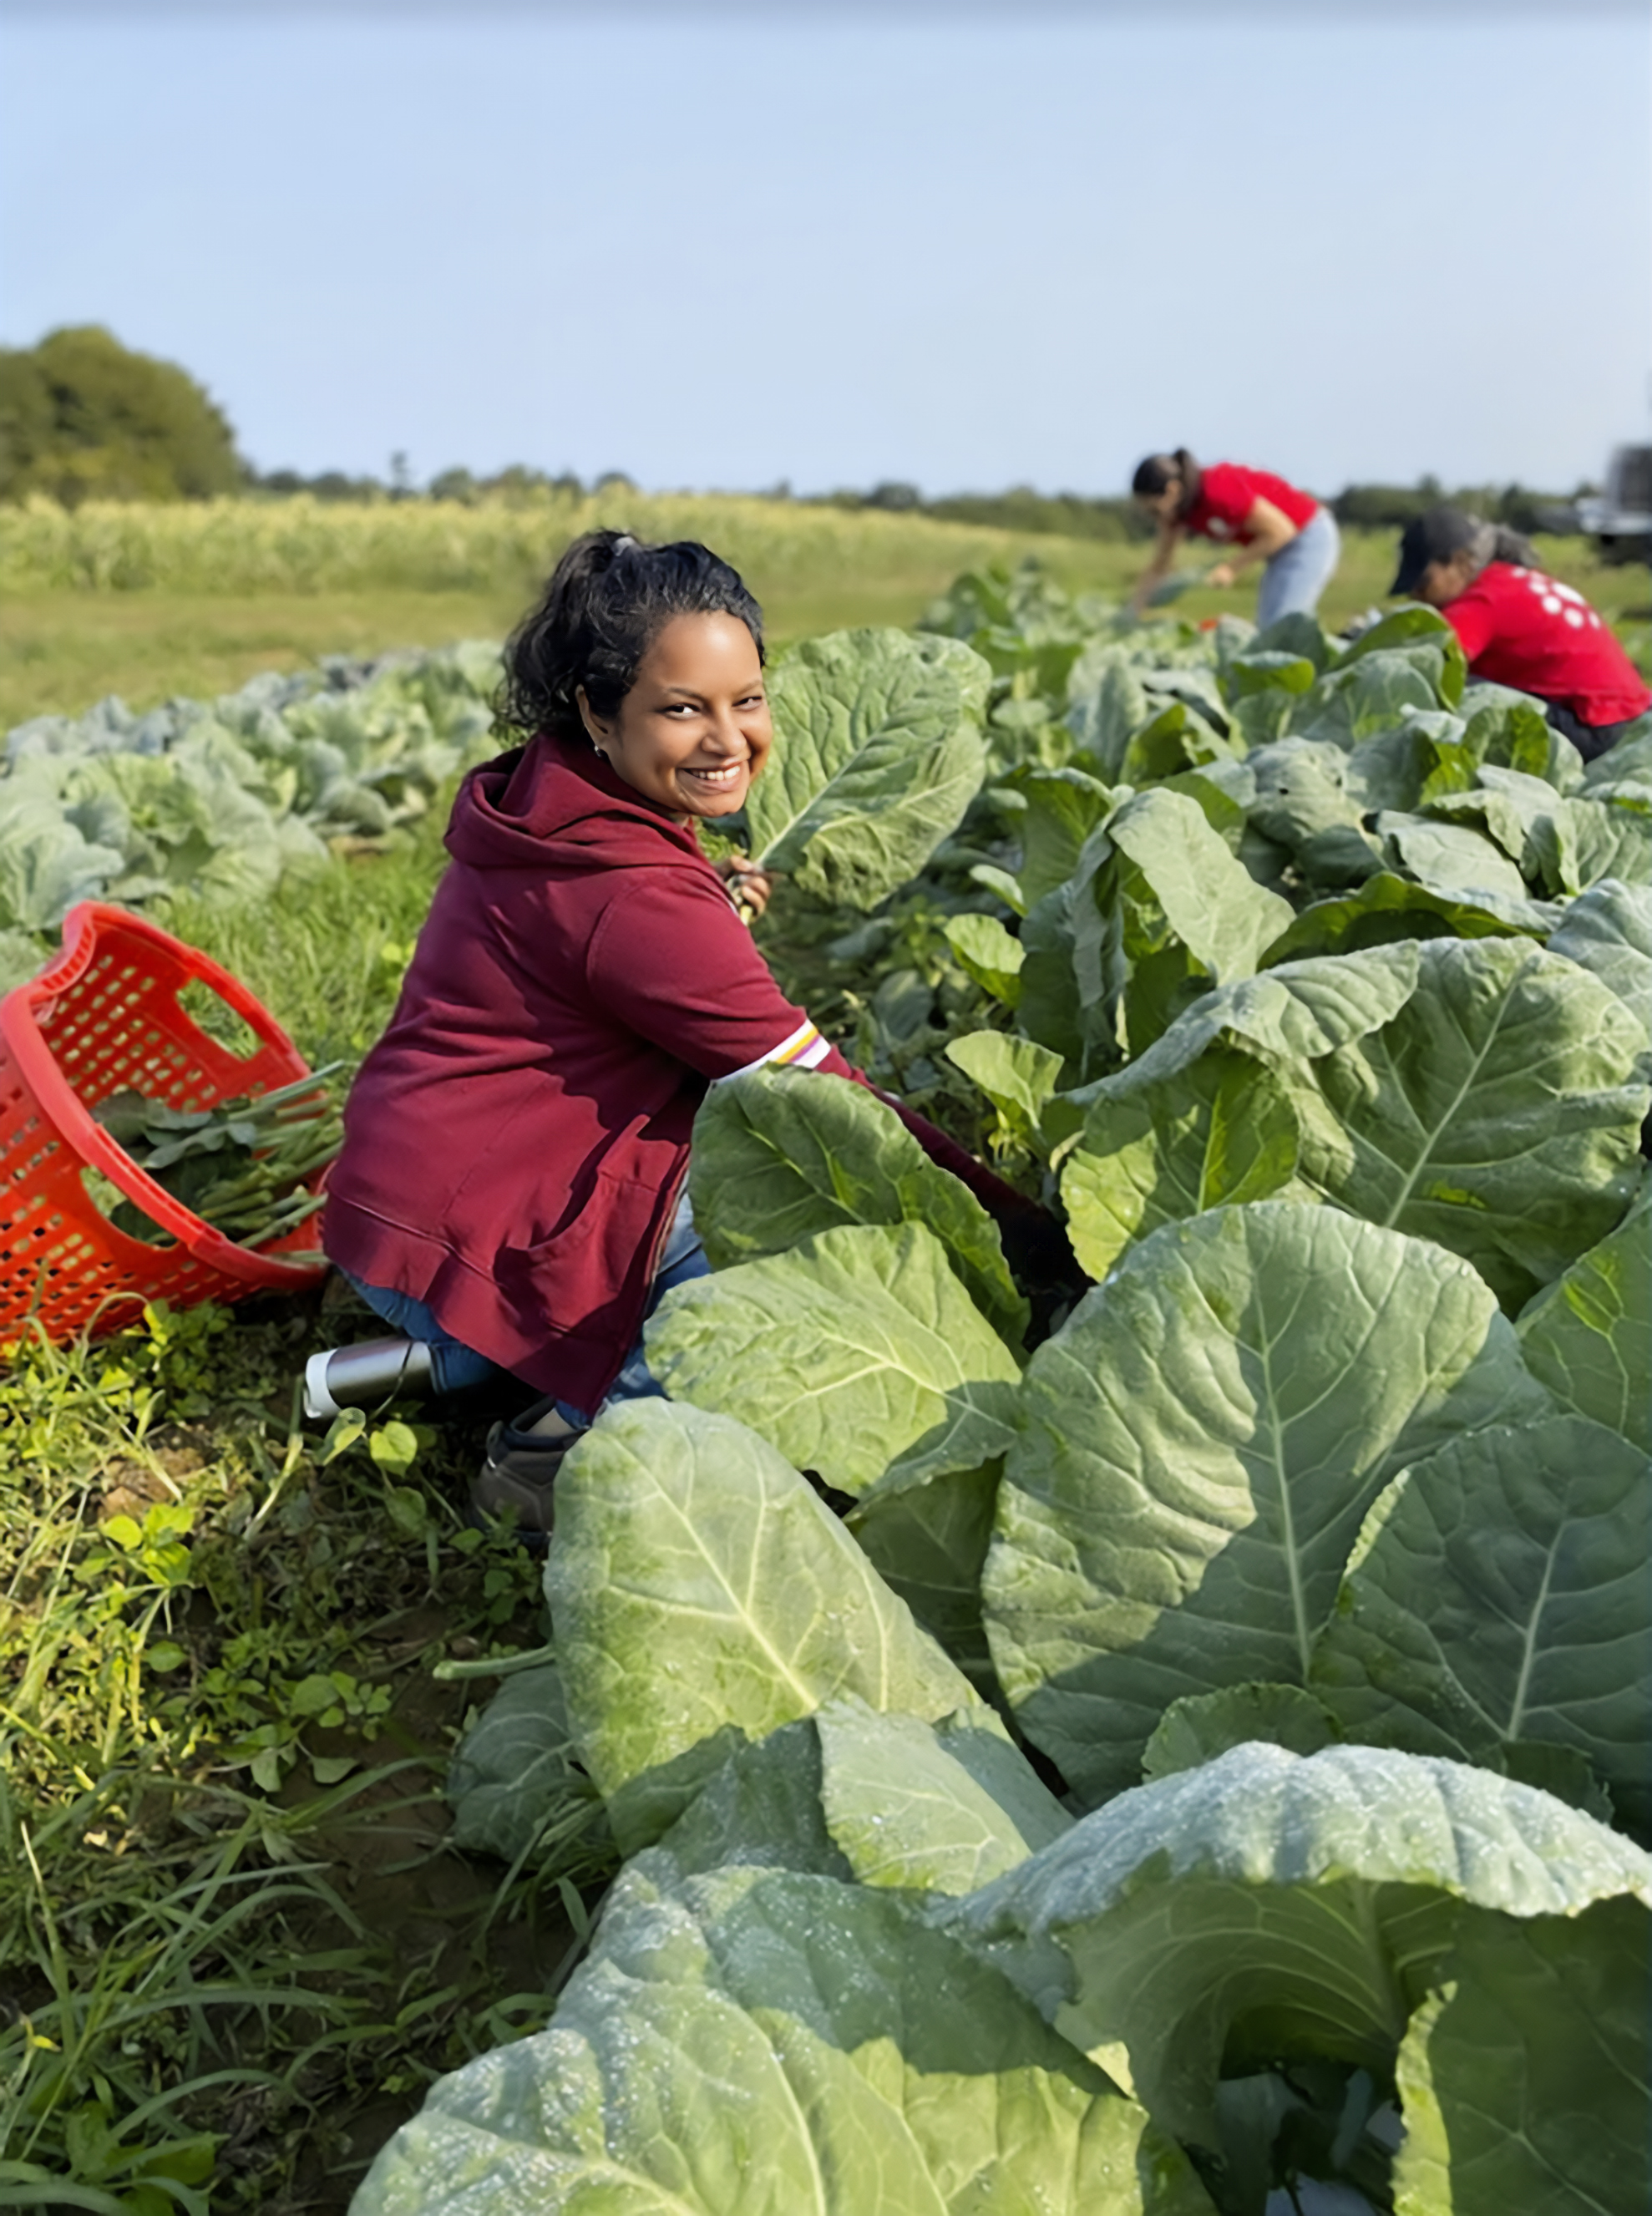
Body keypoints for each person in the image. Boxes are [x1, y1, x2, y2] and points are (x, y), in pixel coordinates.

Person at [322, 530, 1052, 1530]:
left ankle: (384, 1374)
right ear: (596, 709)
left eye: (745, 699)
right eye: (681, 709)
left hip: (406, 1208)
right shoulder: (632, 900)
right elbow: (828, 1101)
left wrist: (696, 897)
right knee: (782, 1205)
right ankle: (569, 1466)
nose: (727, 738)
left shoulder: (559, 798)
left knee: (704, 1176)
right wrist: (1017, 1237)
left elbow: (600, 953)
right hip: (461, 1211)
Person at [1390, 506, 1650, 763]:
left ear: (1460, 563)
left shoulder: (1479, 603)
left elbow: (1428, 664)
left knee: (1450, 687)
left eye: (1423, 584)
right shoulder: (1510, 581)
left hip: (1596, 725)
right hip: (1633, 717)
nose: (1416, 596)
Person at [1128, 449, 1340, 627]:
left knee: (1280, 627)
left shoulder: (1217, 490)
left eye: (1155, 510)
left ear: (1172, 490)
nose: (1156, 518)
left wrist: (1231, 568)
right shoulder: (1177, 513)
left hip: (1308, 536)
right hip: (1282, 547)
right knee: (1268, 628)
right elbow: (1159, 566)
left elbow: (1282, 530)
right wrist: (1134, 610)